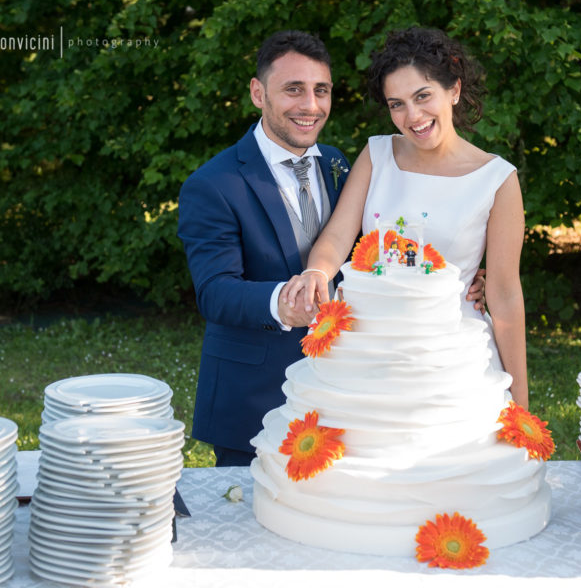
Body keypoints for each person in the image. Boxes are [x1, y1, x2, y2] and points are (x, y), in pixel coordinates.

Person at [283, 26, 528, 409]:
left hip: (451, 354)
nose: (412, 116)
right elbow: (337, 236)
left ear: (455, 90)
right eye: (396, 104)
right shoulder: (377, 155)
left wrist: (521, 401)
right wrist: (317, 272)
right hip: (367, 346)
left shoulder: (497, 180)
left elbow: (506, 295)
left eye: (423, 96)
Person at [178, 31, 350, 467]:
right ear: (258, 93)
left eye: (321, 90)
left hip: (343, 391)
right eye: (293, 89)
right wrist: (281, 304)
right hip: (254, 399)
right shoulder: (212, 185)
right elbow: (215, 291)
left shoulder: (338, 164)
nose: (310, 105)